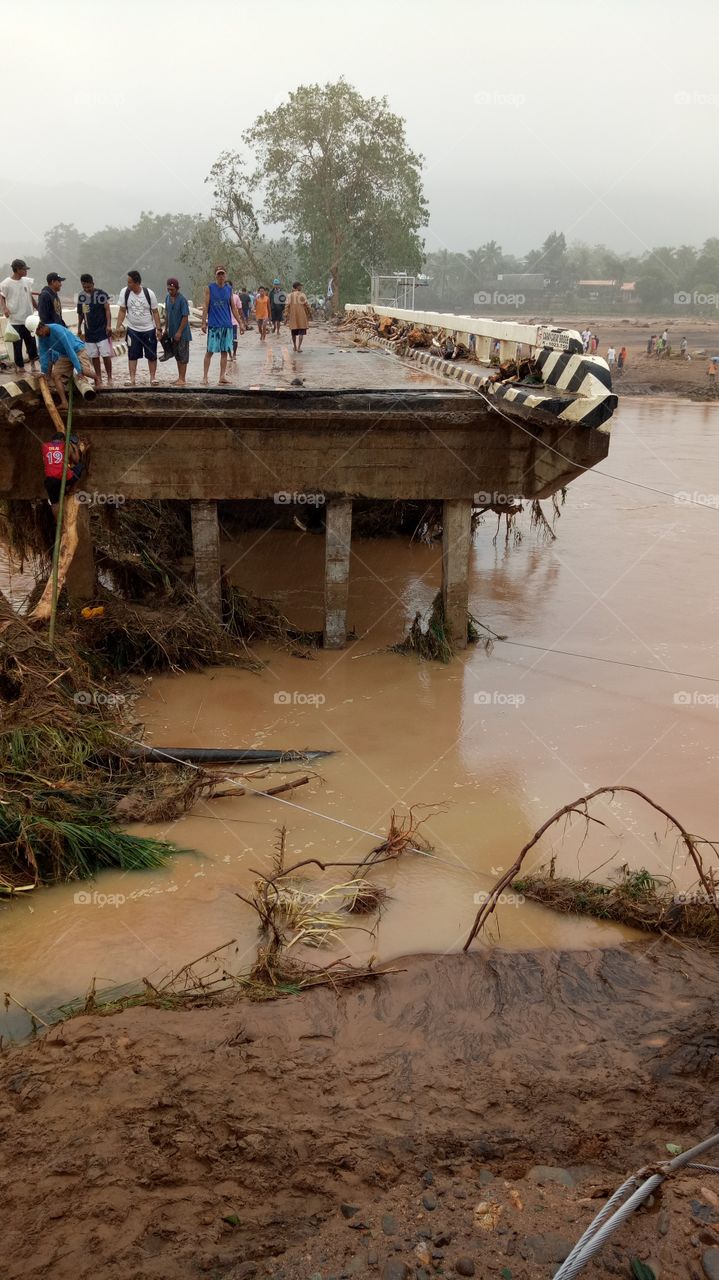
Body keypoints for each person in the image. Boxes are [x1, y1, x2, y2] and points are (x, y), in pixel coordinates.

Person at [26, 314, 98, 409]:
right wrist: (43, 372)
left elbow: (70, 350)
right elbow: (44, 356)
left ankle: (97, 379)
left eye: (37, 333)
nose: (38, 335)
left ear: (41, 327)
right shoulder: (42, 338)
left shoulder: (57, 330)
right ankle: (64, 402)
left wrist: (78, 370)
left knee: (83, 371)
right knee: (56, 375)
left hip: (77, 350)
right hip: (64, 355)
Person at [115, 270, 162, 385]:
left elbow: (155, 312)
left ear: (137, 283)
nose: (128, 284)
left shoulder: (149, 294)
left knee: (151, 355)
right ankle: (132, 378)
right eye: (127, 282)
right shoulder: (124, 292)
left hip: (149, 330)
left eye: (130, 282)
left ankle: (152, 377)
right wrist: (117, 326)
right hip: (132, 330)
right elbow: (122, 310)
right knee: (132, 355)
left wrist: (159, 329)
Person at [201, 266, 244, 384]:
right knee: (209, 351)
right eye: (218, 274)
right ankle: (205, 377)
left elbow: (233, 308)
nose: (221, 276)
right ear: (215, 275)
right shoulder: (210, 288)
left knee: (225, 351)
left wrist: (240, 323)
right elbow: (206, 306)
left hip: (227, 325)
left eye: (222, 274)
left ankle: (221, 377)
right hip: (214, 325)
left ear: (225, 275)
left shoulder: (229, 289)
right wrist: (203, 322)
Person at [0, 258, 39, 374]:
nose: (26, 271)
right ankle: (20, 366)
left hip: (28, 318)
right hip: (15, 319)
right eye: (24, 269)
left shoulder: (26, 281)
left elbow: (30, 295)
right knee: (17, 344)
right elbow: (1, 296)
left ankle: (33, 363)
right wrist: (5, 308)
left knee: (31, 342)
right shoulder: (6, 283)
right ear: (17, 269)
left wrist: (36, 306)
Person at [77, 273, 113, 386]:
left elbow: (107, 310)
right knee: (94, 356)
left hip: (102, 331)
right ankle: (98, 378)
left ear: (93, 284)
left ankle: (110, 377)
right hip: (89, 332)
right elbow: (80, 314)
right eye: (84, 287)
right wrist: (79, 328)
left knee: (106, 355)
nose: (87, 289)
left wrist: (108, 325)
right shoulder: (81, 296)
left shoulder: (101, 294)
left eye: (89, 287)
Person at [41, 430, 86, 519]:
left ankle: (58, 522)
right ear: (62, 439)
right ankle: (72, 490)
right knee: (80, 467)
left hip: (49, 480)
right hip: (63, 478)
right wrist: (73, 446)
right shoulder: (65, 445)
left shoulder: (44, 446)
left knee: (54, 504)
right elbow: (76, 460)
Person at [164, 277, 191, 385]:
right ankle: (179, 377)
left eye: (172, 289)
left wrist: (179, 332)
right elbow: (167, 314)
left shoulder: (182, 300)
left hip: (183, 333)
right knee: (177, 355)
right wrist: (166, 329)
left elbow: (185, 317)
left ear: (177, 289)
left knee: (183, 355)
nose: (170, 291)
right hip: (172, 332)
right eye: (168, 289)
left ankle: (182, 379)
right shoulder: (167, 298)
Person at [285, 281, 312, 352]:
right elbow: (307, 305)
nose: (301, 287)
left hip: (293, 317)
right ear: (297, 287)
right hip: (302, 316)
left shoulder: (289, 295)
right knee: (301, 332)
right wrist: (310, 313)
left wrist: (286, 316)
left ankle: (295, 346)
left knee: (293, 333)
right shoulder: (302, 295)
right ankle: (299, 347)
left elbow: (287, 306)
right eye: (300, 286)